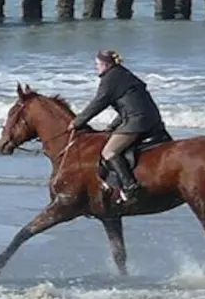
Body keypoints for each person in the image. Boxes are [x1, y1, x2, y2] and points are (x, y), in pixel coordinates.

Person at [70, 49, 168, 204]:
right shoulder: (123, 74)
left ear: (105, 64)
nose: (96, 67)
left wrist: (77, 122)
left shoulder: (111, 78)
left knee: (109, 151)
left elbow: (99, 103)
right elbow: (129, 105)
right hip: (148, 118)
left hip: (138, 121)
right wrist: (112, 126)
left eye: (97, 64)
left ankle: (130, 186)